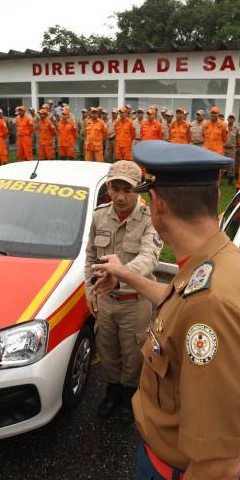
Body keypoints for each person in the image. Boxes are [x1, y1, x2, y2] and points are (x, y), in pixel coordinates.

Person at [91, 141, 240, 480]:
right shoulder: (211, 261)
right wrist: (126, 275)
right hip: (170, 468)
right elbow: (177, 299)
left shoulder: (214, 307)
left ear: (156, 205)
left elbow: (217, 472)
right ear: (215, 197)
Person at [85, 160, 162, 424]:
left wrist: (119, 277)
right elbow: (90, 256)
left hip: (134, 303)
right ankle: (112, 392)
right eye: (114, 188)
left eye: (126, 190)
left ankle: (130, 396)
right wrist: (89, 292)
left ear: (138, 190)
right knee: (107, 351)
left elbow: (149, 257)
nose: (119, 196)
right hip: (106, 301)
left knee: (133, 354)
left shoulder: (150, 220)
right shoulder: (99, 215)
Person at [224, 114, 240, 185]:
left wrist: (237, 147)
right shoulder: (223, 126)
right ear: (227, 119)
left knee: (232, 166)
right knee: (221, 164)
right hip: (223, 148)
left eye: (232, 118)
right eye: (229, 118)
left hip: (232, 149)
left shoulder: (236, 129)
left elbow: (238, 139)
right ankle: (219, 180)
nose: (231, 119)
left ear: (234, 120)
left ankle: (230, 182)